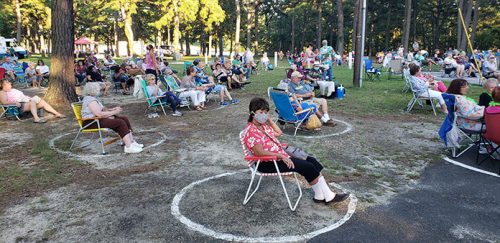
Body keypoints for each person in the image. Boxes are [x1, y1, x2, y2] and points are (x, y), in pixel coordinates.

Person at [242, 97, 349, 204]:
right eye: (261, 112)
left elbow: (278, 133)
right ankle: (329, 196)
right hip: (267, 162)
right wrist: (281, 156)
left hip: (279, 156)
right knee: (307, 167)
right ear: (252, 113)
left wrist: (269, 120)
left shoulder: (263, 126)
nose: (264, 115)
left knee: (312, 161)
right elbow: (259, 153)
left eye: (266, 112)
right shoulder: (251, 131)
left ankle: (320, 196)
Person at [81, 82, 143, 153]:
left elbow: (102, 110)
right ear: (94, 90)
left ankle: (131, 142)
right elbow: (99, 114)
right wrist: (114, 112)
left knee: (124, 118)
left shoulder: (93, 98)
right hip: (91, 122)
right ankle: (128, 146)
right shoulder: (90, 100)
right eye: (99, 89)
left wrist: (112, 109)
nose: (101, 90)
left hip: (97, 119)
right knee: (120, 122)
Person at [0, 79, 65, 123]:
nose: (10, 83)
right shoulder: (2, 92)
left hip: (25, 103)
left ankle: (57, 113)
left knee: (41, 102)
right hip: (17, 107)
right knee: (33, 101)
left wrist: (27, 98)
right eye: (7, 82)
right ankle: (36, 118)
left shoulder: (13, 90)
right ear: (3, 85)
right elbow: (4, 102)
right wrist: (14, 102)